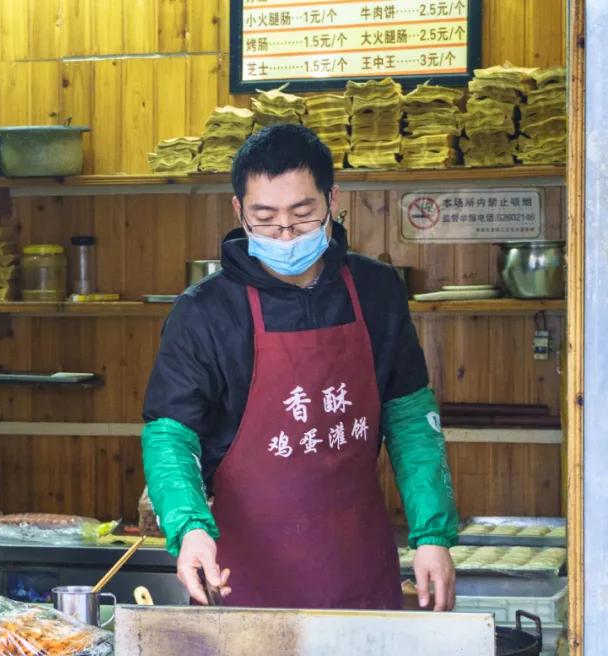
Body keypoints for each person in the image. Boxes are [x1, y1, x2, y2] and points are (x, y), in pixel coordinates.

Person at [142, 125, 458, 611]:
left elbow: (410, 416)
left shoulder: (375, 291)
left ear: (333, 200)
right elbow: (170, 434)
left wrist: (431, 534)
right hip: (244, 578)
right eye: (265, 218)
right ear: (238, 211)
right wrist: (189, 528)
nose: (285, 234)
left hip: (359, 569)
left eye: (302, 214)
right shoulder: (205, 312)